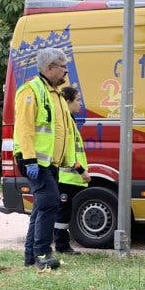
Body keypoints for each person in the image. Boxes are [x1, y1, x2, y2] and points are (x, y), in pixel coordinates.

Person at [14, 48, 74, 270]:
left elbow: (63, 131)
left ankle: (31, 257)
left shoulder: (55, 94)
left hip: (49, 162)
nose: (66, 71)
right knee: (50, 202)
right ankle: (43, 254)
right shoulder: (31, 91)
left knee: (42, 206)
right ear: (50, 68)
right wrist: (29, 159)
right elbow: (25, 129)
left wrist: (67, 161)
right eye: (62, 66)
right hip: (35, 161)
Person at [53, 86, 90, 255]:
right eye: (78, 100)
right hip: (66, 177)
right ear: (68, 101)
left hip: (69, 177)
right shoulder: (66, 121)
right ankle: (61, 246)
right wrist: (81, 170)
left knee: (65, 213)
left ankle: (62, 245)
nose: (80, 104)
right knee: (62, 214)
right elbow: (68, 152)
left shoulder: (70, 119)